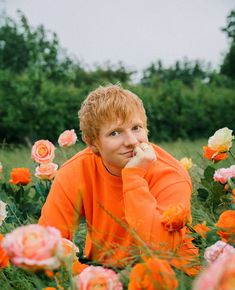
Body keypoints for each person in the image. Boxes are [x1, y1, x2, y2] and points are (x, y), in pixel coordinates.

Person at [38, 84, 198, 273]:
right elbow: (46, 246)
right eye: (115, 132)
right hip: (102, 270)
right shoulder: (75, 171)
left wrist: (134, 176)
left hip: (172, 275)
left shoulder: (171, 175)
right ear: (93, 143)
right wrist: (90, 278)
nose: (131, 141)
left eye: (137, 128)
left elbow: (160, 250)